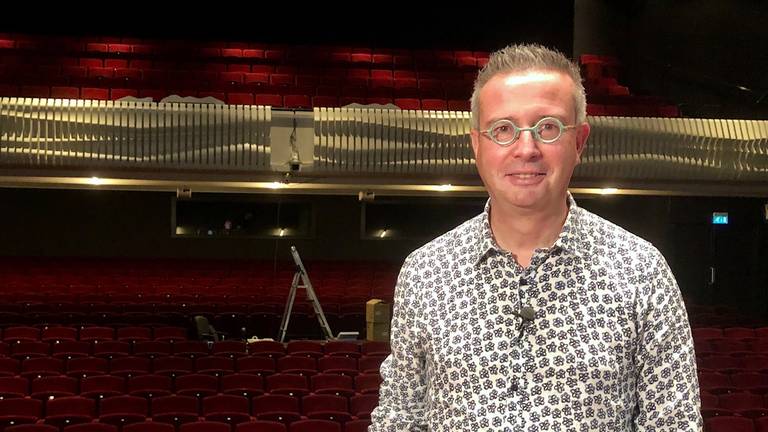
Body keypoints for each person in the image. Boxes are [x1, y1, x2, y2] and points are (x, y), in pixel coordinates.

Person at [369, 43, 702, 431]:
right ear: (477, 144)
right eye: (503, 129)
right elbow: (399, 419)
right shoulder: (425, 272)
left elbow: (675, 425)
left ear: (579, 142)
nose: (526, 149)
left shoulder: (641, 271)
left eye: (548, 127)